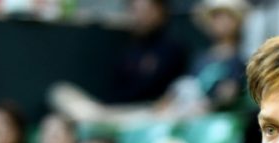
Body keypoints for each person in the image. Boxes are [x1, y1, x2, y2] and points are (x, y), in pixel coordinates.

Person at [49, 0, 249, 125]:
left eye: (226, 17)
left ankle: (96, 116)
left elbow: (227, 93)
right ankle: (94, 114)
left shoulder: (237, 60)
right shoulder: (201, 57)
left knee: (100, 116)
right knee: (61, 93)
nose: (220, 23)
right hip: (164, 108)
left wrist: (207, 104)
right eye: (216, 17)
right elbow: (183, 87)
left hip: (165, 113)